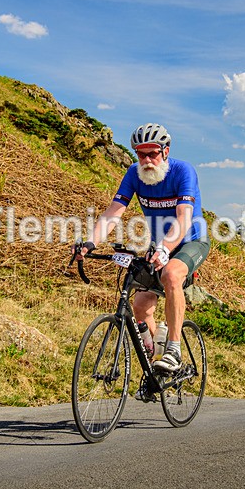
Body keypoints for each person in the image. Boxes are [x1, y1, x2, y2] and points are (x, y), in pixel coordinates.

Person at [75, 123, 209, 377]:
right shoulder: (134, 174)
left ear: (165, 152)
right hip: (158, 245)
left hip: (190, 241)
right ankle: (153, 361)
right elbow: (114, 212)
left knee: (170, 275)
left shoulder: (183, 172)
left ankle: (173, 348)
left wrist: (165, 249)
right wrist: (90, 242)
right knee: (140, 304)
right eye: (141, 154)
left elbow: (183, 219)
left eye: (153, 154)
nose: (147, 160)